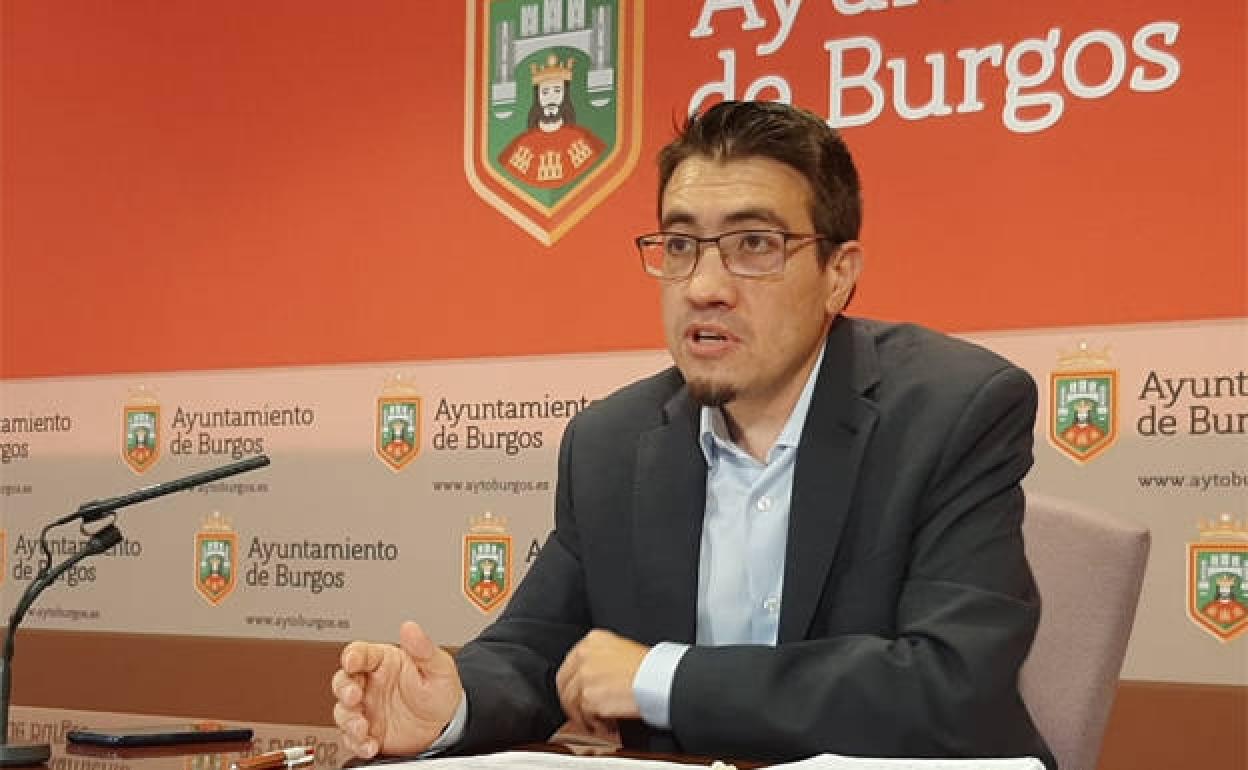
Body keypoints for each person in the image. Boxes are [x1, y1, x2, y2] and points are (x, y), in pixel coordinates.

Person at [332, 100, 1055, 768]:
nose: (705, 286)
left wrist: (663, 678)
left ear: (839, 275)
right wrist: (451, 705)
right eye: (680, 245)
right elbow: (538, 647)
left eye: (755, 244)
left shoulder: (953, 411)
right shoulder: (612, 444)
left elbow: (951, 684)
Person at [497, 54, 605, 189]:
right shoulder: (522, 142)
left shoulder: (582, 138)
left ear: (565, 95)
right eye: (545, 92)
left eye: (557, 91)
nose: (551, 98)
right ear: (538, 97)